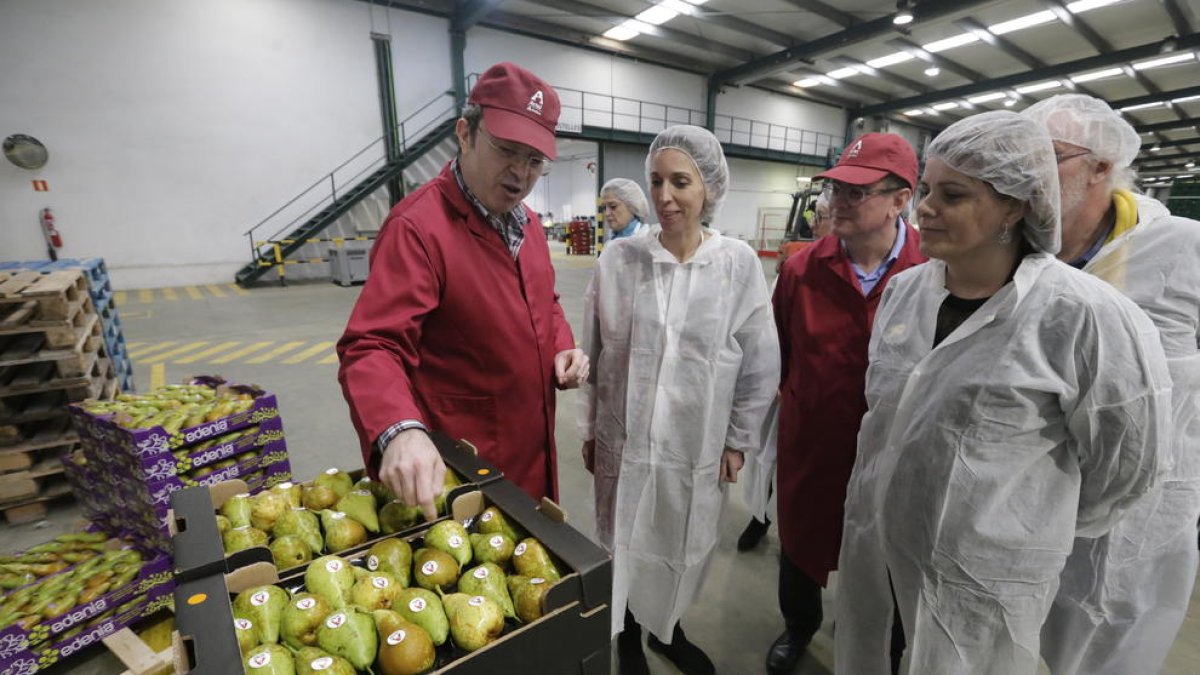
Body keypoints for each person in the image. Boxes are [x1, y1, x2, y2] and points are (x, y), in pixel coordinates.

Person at [835, 110, 1172, 675]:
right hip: (880, 545)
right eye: (925, 191)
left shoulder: (1083, 315)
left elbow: (1128, 465)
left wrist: (1025, 524)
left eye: (954, 194)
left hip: (986, 576)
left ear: (1016, 205)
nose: (925, 209)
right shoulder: (905, 293)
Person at [337, 62, 589, 518]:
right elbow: (371, 346)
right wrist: (400, 430)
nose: (520, 173)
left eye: (535, 161)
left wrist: (562, 345)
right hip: (465, 469)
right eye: (507, 151)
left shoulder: (529, 226)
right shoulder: (418, 229)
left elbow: (544, 302)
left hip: (534, 456)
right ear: (465, 134)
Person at [578, 125, 780, 675]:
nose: (665, 196)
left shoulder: (737, 266)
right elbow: (596, 354)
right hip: (625, 442)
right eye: (657, 181)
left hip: (696, 448)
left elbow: (760, 363)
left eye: (681, 182)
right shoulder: (619, 263)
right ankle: (626, 638)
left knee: (678, 542)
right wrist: (591, 429)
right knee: (624, 543)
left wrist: (738, 442)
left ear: (709, 189)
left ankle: (668, 630)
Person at [1024, 94, 1200, 675]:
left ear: (1103, 166)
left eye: (1049, 157)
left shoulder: (1179, 247)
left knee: (1115, 635)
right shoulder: (1016, 250)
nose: (1029, 175)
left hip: (1146, 508)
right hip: (1030, 495)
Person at [768, 133, 926, 675]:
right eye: (835, 189)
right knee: (802, 541)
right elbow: (781, 355)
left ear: (900, 200)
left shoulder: (932, 271)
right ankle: (799, 625)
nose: (836, 204)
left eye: (856, 194)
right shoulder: (801, 270)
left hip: (895, 449)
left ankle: (889, 640)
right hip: (812, 438)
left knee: (892, 550)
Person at [600, 177, 650, 243]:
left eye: (613, 206)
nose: (607, 213)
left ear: (632, 206)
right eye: (604, 208)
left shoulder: (647, 242)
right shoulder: (612, 242)